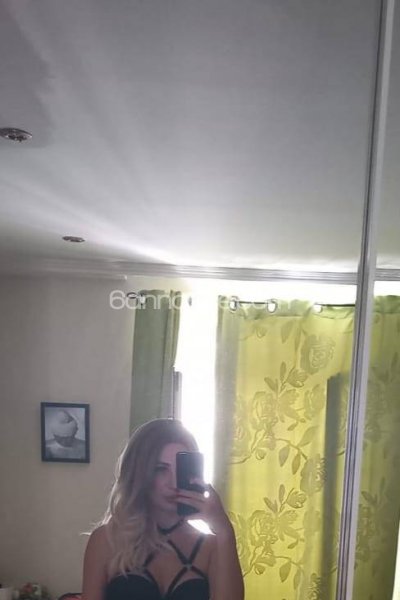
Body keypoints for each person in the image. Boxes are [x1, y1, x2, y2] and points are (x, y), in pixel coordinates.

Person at [82, 418, 244, 600]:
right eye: (160, 469)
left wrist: (224, 530)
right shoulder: (106, 541)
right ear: (139, 473)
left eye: (180, 469)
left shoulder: (211, 547)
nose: (173, 482)